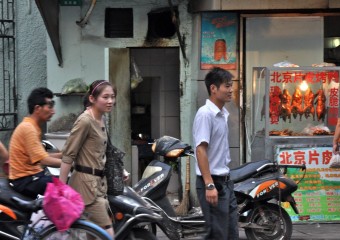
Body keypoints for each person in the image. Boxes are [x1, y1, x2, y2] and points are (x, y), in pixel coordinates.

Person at [59, 80, 116, 238]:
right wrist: (61, 188)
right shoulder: (85, 120)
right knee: (107, 234)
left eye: (112, 96)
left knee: (94, 235)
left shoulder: (101, 119)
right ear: (92, 98)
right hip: (85, 186)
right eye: (105, 97)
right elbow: (68, 155)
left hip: (98, 185)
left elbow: (100, 151)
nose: (110, 101)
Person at [193, 67, 239, 239]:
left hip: (225, 183)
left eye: (231, 86)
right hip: (213, 183)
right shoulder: (205, 114)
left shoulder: (222, 114)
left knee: (231, 233)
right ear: (213, 88)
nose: (231, 90)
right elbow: (200, 149)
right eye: (227, 86)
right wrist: (209, 185)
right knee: (217, 235)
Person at [9, 88, 62, 198]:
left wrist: (64, 155)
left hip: (32, 177)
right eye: (50, 106)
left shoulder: (32, 126)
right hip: (26, 180)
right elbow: (44, 160)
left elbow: (40, 155)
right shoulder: (28, 128)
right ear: (37, 108)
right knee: (64, 190)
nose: (53, 111)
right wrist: (71, 164)